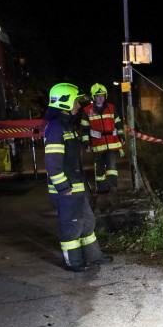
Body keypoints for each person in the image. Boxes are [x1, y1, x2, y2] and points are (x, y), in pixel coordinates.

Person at [44, 83, 113, 272]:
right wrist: (63, 187)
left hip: (77, 186)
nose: (78, 105)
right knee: (72, 226)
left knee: (88, 222)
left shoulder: (68, 126)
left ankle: (94, 257)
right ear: (65, 103)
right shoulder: (56, 129)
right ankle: (73, 263)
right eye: (75, 101)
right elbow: (52, 162)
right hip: (67, 190)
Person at [80, 83, 125, 195]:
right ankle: (101, 188)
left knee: (112, 166)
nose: (100, 98)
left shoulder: (111, 108)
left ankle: (112, 186)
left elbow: (118, 122)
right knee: (99, 168)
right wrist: (86, 142)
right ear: (93, 97)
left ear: (105, 96)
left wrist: (121, 135)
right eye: (97, 96)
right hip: (97, 144)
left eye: (102, 96)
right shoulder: (87, 111)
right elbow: (84, 128)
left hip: (112, 143)